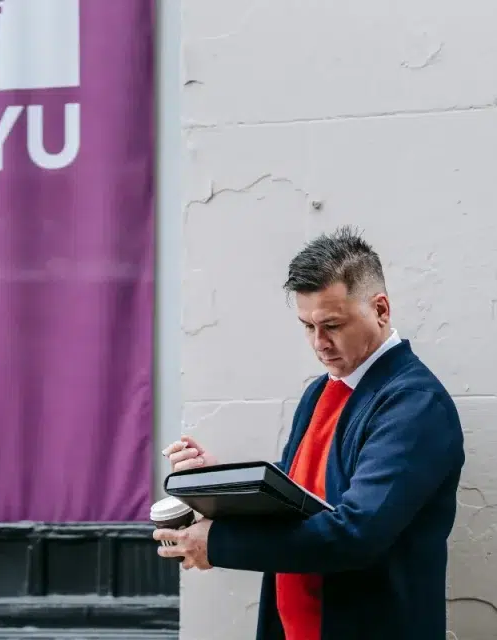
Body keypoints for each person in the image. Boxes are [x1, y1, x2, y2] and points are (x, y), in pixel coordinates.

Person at [155, 226, 465, 639]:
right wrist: (219, 487)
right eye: (307, 326)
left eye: (332, 324)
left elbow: (355, 534)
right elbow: (296, 496)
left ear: (381, 309)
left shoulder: (415, 406)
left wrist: (218, 544)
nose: (319, 343)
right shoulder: (322, 390)